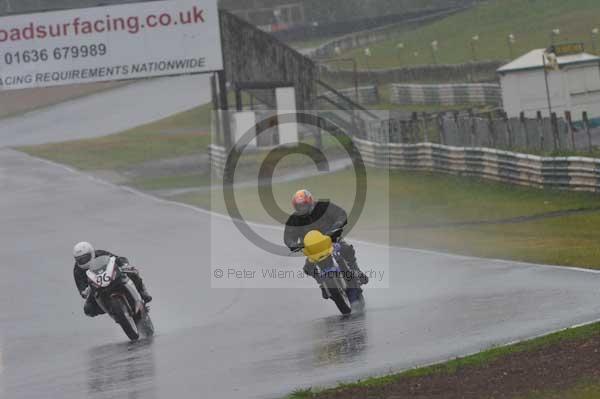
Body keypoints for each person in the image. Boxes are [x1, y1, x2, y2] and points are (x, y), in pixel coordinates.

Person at [284, 189, 368, 298]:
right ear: (295, 207)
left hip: (332, 239)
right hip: (314, 249)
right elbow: (288, 237)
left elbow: (340, 213)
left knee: (346, 249)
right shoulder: (293, 220)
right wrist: (293, 244)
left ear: (310, 201)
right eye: (299, 206)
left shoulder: (323, 206)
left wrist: (338, 224)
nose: (302, 208)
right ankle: (322, 284)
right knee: (308, 268)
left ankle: (356, 270)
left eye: (304, 205)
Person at [72, 242, 152, 317]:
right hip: (97, 289)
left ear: (92, 253)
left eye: (85, 258)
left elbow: (117, 258)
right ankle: (111, 311)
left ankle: (142, 293)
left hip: (113, 278)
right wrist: (85, 292)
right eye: (80, 260)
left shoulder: (100, 253)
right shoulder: (77, 270)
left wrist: (124, 264)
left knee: (132, 273)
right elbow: (82, 290)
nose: (83, 261)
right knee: (88, 309)